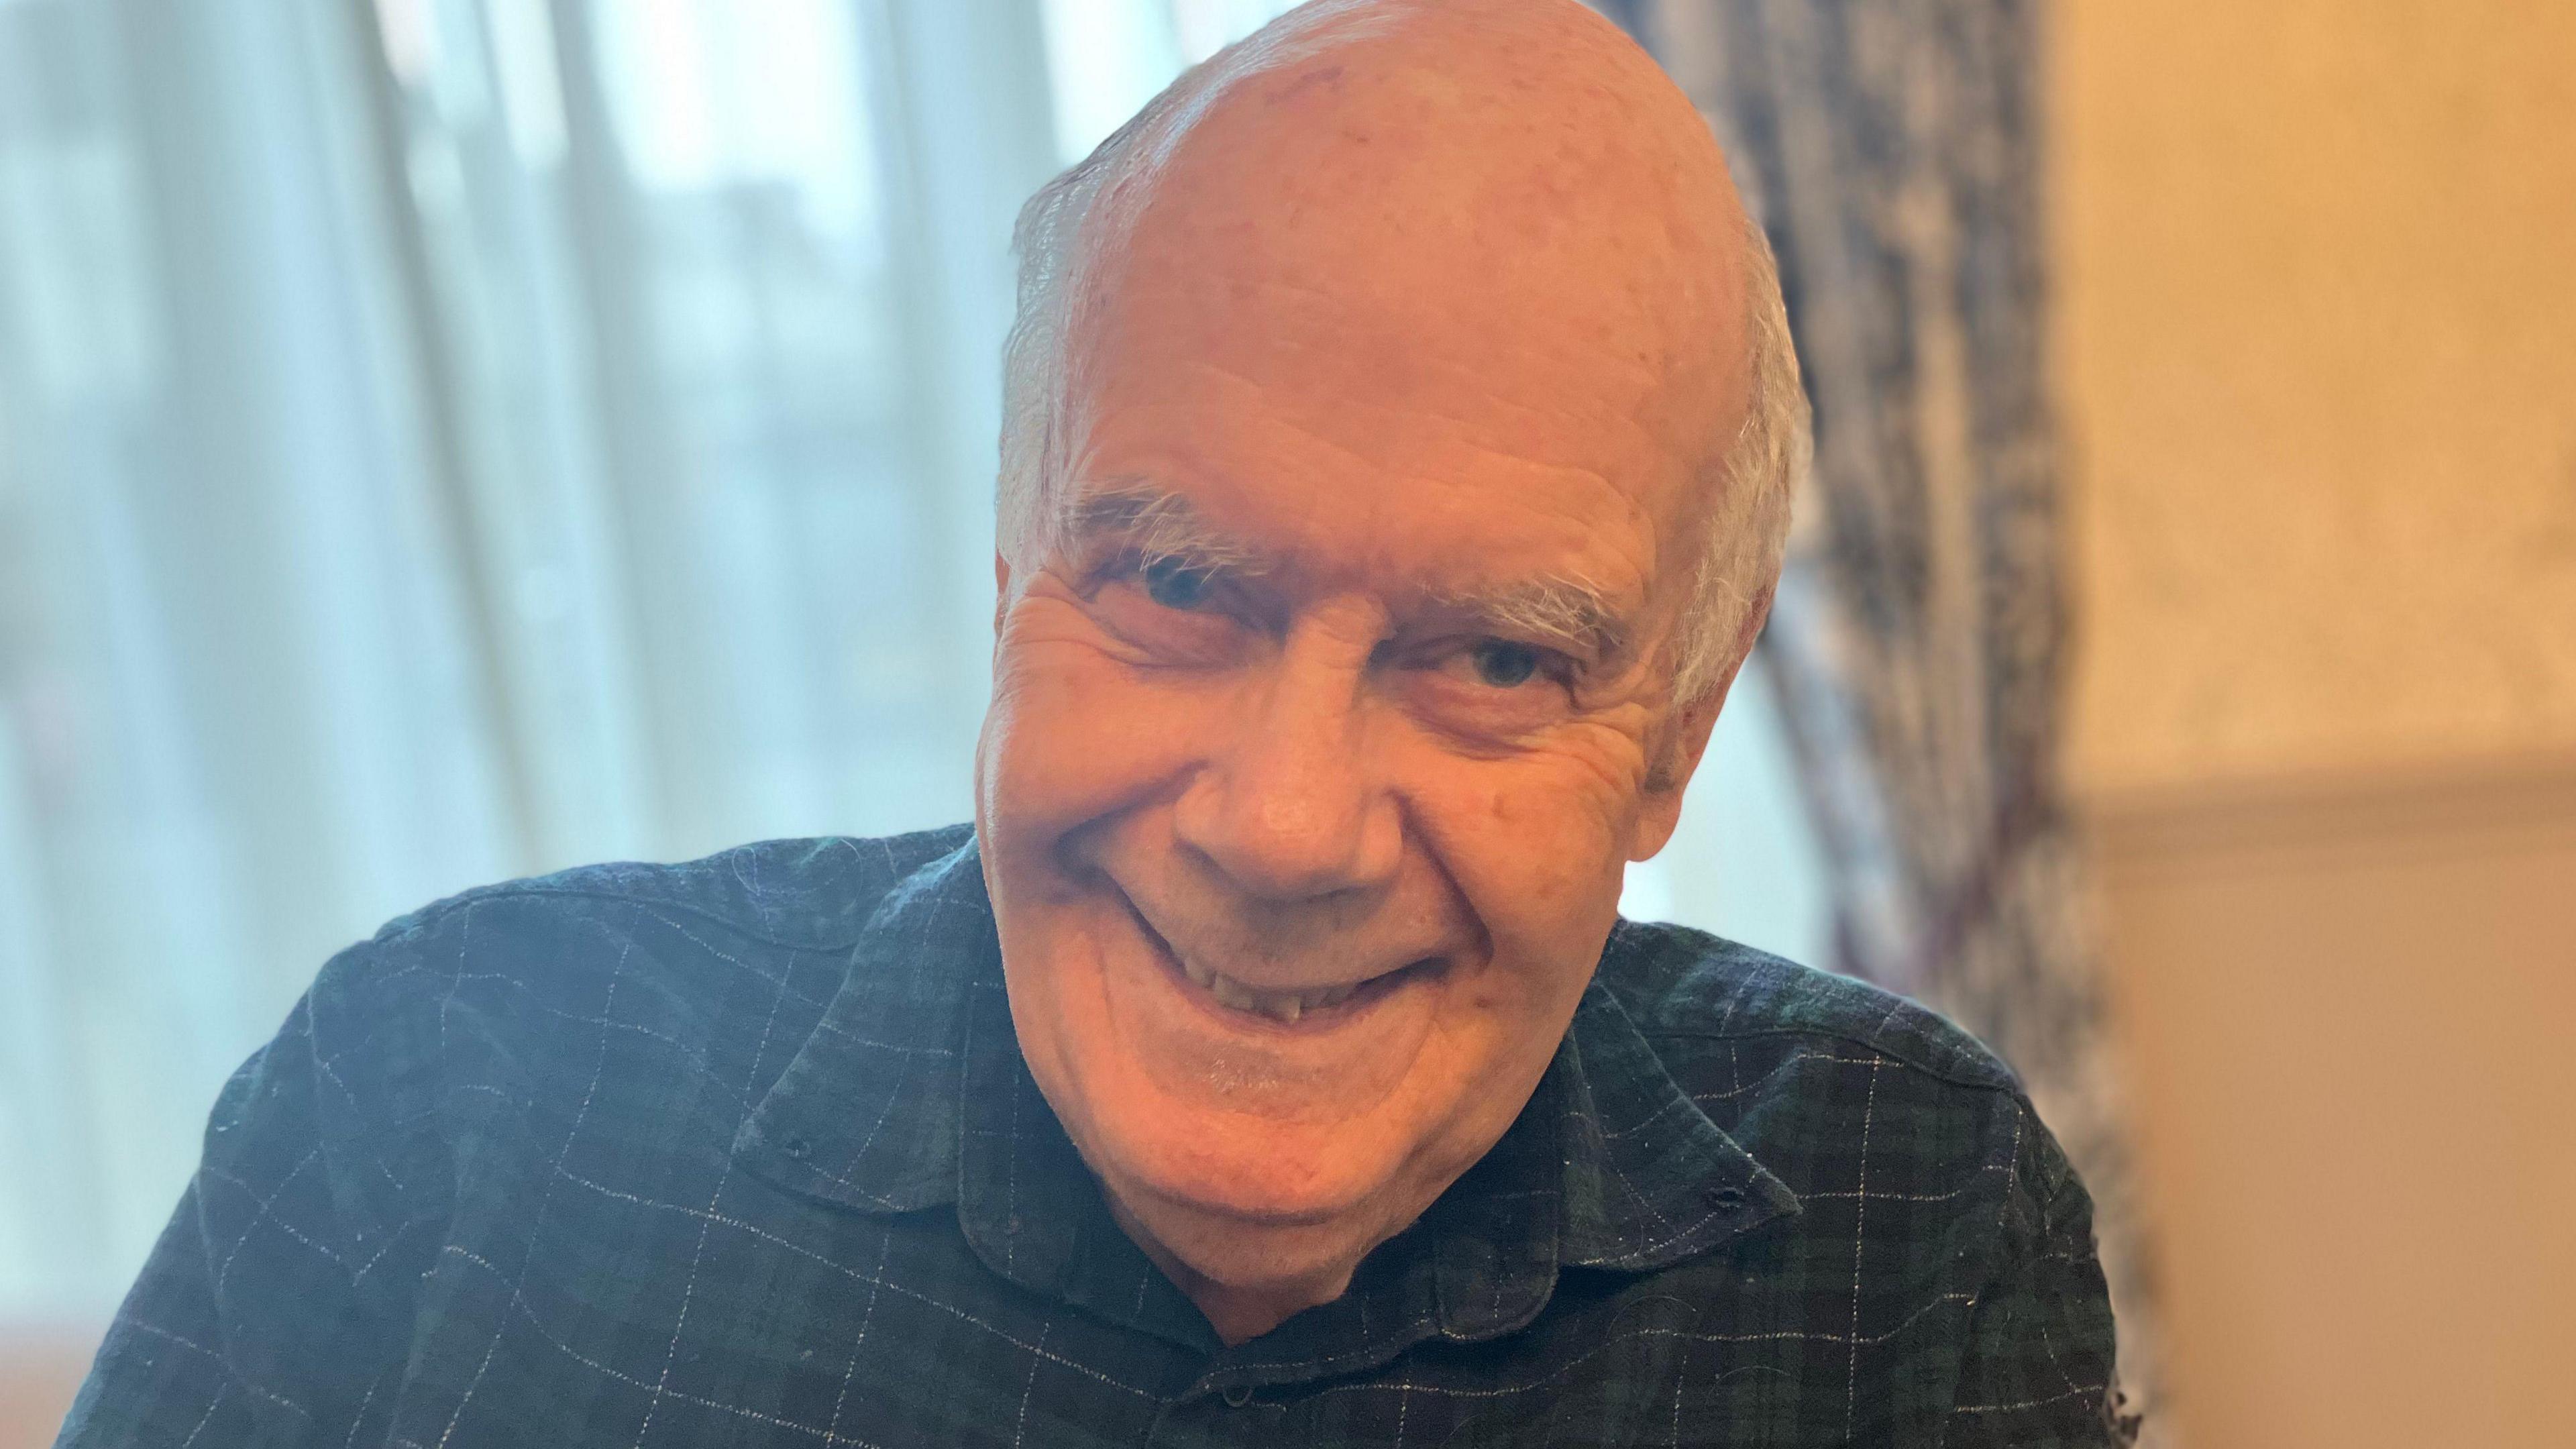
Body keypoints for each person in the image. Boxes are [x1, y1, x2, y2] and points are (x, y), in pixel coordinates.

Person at [58, 1, 2127, 1444]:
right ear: (1005, 578)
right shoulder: (435, 1112)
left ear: (1676, 728)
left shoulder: (1900, 1218)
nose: (1288, 825)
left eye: (1495, 657)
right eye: (1172, 585)